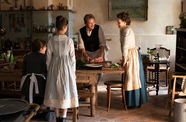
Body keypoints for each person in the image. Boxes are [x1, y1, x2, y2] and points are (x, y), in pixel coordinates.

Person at [44, 15, 79, 122]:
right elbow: (73, 59)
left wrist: (50, 70)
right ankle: (63, 117)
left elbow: (48, 58)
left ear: (56, 27)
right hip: (66, 68)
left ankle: (57, 117)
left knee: (55, 91)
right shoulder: (69, 41)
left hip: (54, 67)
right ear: (66, 27)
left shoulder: (51, 41)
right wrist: (73, 73)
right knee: (65, 91)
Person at [117, 12, 148, 108]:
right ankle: (129, 101)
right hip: (128, 54)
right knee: (129, 78)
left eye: (119, 22)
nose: (118, 24)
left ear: (125, 22)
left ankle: (135, 102)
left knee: (132, 78)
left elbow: (125, 46)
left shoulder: (128, 30)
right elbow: (123, 46)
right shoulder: (122, 30)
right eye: (117, 22)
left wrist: (124, 59)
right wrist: (124, 57)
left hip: (132, 55)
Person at [21, 39, 47, 105]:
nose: (46, 49)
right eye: (45, 47)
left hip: (27, 84)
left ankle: (30, 112)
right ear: (41, 48)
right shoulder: (45, 57)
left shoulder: (26, 57)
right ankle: (38, 113)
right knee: (39, 102)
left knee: (29, 101)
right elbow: (47, 72)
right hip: (40, 84)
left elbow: (23, 72)